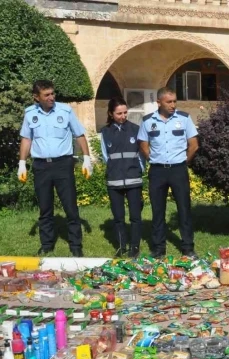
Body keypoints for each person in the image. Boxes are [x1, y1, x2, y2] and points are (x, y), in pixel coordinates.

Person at [18, 80, 92, 257]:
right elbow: (26, 139)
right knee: (45, 207)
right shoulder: (30, 114)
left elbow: (79, 134)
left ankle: (75, 245)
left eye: (52, 93)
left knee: (70, 206)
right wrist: (22, 163)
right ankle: (47, 245)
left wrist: (87, 158)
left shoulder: (65, 111)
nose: (51, 97)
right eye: (47, 95)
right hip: (41, 165)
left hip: (63, 164)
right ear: (36, 97)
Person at [138, 87, 199, 258]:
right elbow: (143, 143)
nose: (173, 105)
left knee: (184, 209)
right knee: (158, 211)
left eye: (174, 101)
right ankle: (158, 248)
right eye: (169, 102)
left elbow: (194, 144)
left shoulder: (184, 119)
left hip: (178, 169)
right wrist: (152, 158)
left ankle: (188, 248)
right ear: (159, 102)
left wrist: (183, 161)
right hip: (157, 171)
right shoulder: (148, 121)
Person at [100, 97, 144, 258]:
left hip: (134, 180)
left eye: (125, 112)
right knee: (118, 217)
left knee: (135, 217)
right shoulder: (105, 132)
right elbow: (106, 156)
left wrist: (139, 171)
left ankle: (134, 247)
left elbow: (141, 156)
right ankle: (121, 246)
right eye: (119, 113)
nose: (123, 116)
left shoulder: (136, 129)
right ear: (111, 114)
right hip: (114, 180)